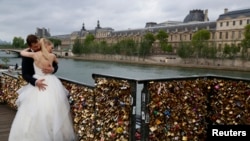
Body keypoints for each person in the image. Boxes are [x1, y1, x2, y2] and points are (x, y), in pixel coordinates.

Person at [8, 38, 76, 141]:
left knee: (50, 108)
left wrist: (53, 69)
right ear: (31, 46)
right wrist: (35, 82)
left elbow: (55, 66)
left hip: (45, 82)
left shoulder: (35, 54)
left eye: (38, 45)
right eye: (35, 47)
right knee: (42, 109)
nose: (37, 48)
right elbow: (25, 74)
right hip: (38, 83)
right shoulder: (48, 55)